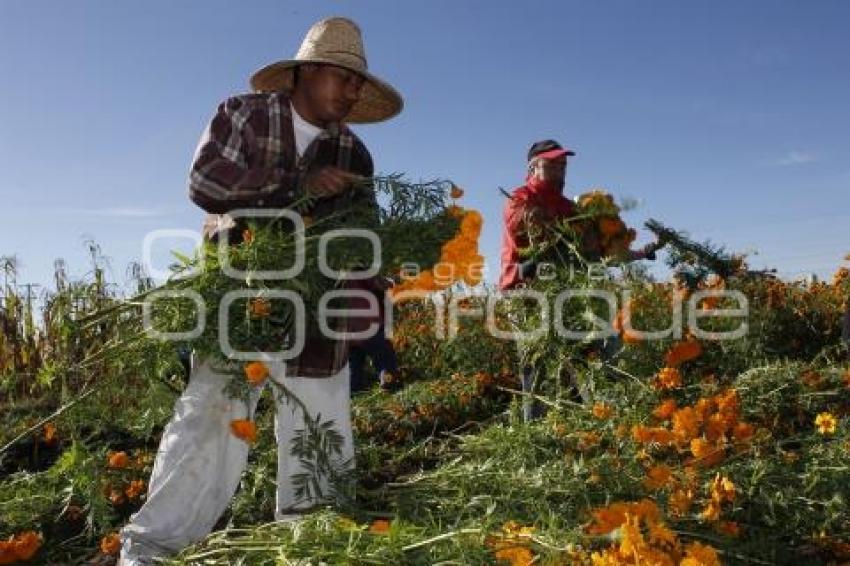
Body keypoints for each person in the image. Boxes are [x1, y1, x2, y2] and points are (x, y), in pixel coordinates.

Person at [119, 17, 403, 564]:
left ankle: (311, 545)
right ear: (311, 70)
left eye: (359, 85)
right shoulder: (244, 115)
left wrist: (371, 263)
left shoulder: (355, 154)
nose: (354, 93)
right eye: (347, 80)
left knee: (320, 421)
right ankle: (151, 548)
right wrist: (296, 186)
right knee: (212, 420)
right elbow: (205, 183)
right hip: (242, 297)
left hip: (318, 308)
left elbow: (360, 231)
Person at [499, 140, 661, 421]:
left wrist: (637, 253)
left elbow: (593, 252)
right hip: (527, 289)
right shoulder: (521, 198)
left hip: (565, 289)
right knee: (536, 359)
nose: (559, 171)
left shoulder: (570, 207)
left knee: (582, 353)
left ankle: (590, 421)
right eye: (552, 165)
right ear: (533, 167)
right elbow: (525, 227)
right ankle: (534, 431)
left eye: (563, 166)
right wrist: (558, 224)